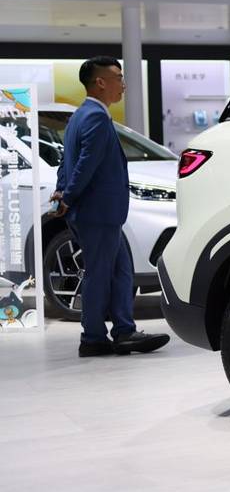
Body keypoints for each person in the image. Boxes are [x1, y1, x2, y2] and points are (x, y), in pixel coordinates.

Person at [50, 57, 170, 357]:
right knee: (100, 274)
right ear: (100, 82)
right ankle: (93, 337)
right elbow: (86, 164)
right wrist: (68, 196)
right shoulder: (96, 117)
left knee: (119, 272)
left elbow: (67, 161)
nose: (123, 84)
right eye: (118, 77)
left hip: (96, 212)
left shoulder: (80, 116)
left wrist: (63, 191)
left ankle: (123, 332)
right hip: (98, 212)